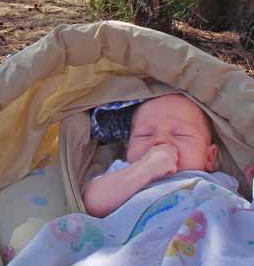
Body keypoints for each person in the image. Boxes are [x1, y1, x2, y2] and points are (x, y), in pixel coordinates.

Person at [83, 93, 219, 217]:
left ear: (209, 157)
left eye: (180, 134)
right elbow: (92, 203)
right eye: (144, 135)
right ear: (128, 149)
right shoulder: (124, 173)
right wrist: (144, 169)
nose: (160, 140)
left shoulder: (219, 183)